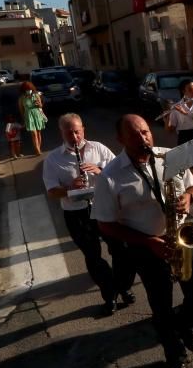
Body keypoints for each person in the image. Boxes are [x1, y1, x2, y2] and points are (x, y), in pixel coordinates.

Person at [93, 114, 193, 368]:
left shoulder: (170, 155)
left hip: (181, 238)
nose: (143, 138)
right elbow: (105, 224)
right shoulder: (110, 176)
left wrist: (190, 197)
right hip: (147, 248)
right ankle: (176, 359)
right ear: (121, 140)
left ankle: (182, 327)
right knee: (161, 307)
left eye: (146, 132)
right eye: (134, 134)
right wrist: (149, 242)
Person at [43, 113, 134, 316]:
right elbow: (51, 191)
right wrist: (69, 187)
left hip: (104, 207)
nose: (75, 137)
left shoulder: (98, 148)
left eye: (77, 131)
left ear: (83, 129)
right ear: (62, 133)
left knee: (120, 249)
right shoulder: (53, 159)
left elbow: (120, 171)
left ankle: (123, 286)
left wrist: (100, 170)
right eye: (69, 133)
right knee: (93, 257)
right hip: (77, 213)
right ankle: (109, 294)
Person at [165, 79, 193, 216]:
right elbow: (170, 130)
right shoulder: (177, 107)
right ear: (183, 91)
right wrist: (166, 118)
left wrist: (187, 114)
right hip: (186, 140)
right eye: (190, 89)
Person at [18, 81, 46, 156]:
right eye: (26, 89)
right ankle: (37, 150)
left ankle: (38, 148)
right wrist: (23, 119)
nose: (28, 90)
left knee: (39, 132)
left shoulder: (36, 95)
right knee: (33, 133)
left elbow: (41, 106)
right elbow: (21, 110)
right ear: (23, 90)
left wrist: (39, 104)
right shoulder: (21, 98)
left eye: (29, 88)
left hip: (37, 114)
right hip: (28, 115)